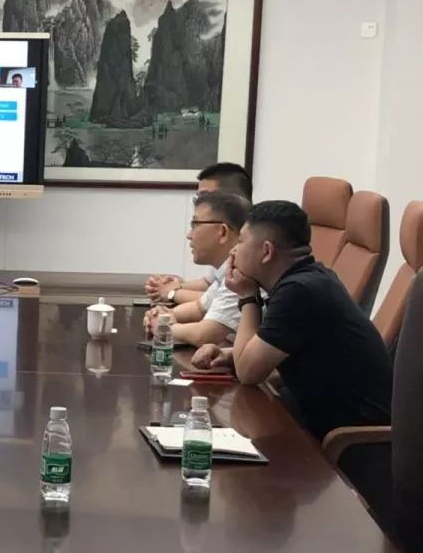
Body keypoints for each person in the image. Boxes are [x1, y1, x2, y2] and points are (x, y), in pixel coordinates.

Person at [192, 200, 392, 440]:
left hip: (346, 441)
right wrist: (230, 355)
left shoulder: (299, 292)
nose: (233, 252)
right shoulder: (311, 277)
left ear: (267, 252)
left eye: (241, 242)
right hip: (312, 419)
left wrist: (247, 296)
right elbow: (274, 352)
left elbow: (248, 373)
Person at [143, 191, 250, 347]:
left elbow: (204, 335)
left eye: (195, 225)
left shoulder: (242, 274)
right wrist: (161, 315)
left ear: (222, 232)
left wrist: (164, 326)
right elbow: (200, 307)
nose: (189, 235)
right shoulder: (225, 271)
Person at [146, 162, 253, 304]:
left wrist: (172, 293)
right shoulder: (226, 246)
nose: (200, 202)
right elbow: (209, 284)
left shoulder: (251, 250)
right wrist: (176, 286)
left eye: (205, 196)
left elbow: (218, 300)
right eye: (198, 197)